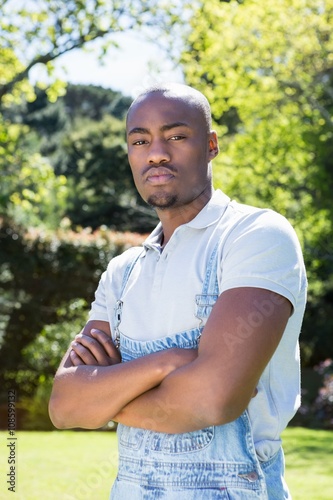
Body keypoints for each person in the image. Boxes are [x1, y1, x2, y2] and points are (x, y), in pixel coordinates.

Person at [49, 83, 307, 499]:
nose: (156, 153)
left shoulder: (255, 236)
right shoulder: (123, 271)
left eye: (175, 136)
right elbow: (65, 406)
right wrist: (167, 363)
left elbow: (212, 401)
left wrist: (107, 397)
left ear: (210, 145)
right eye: (140, 140)